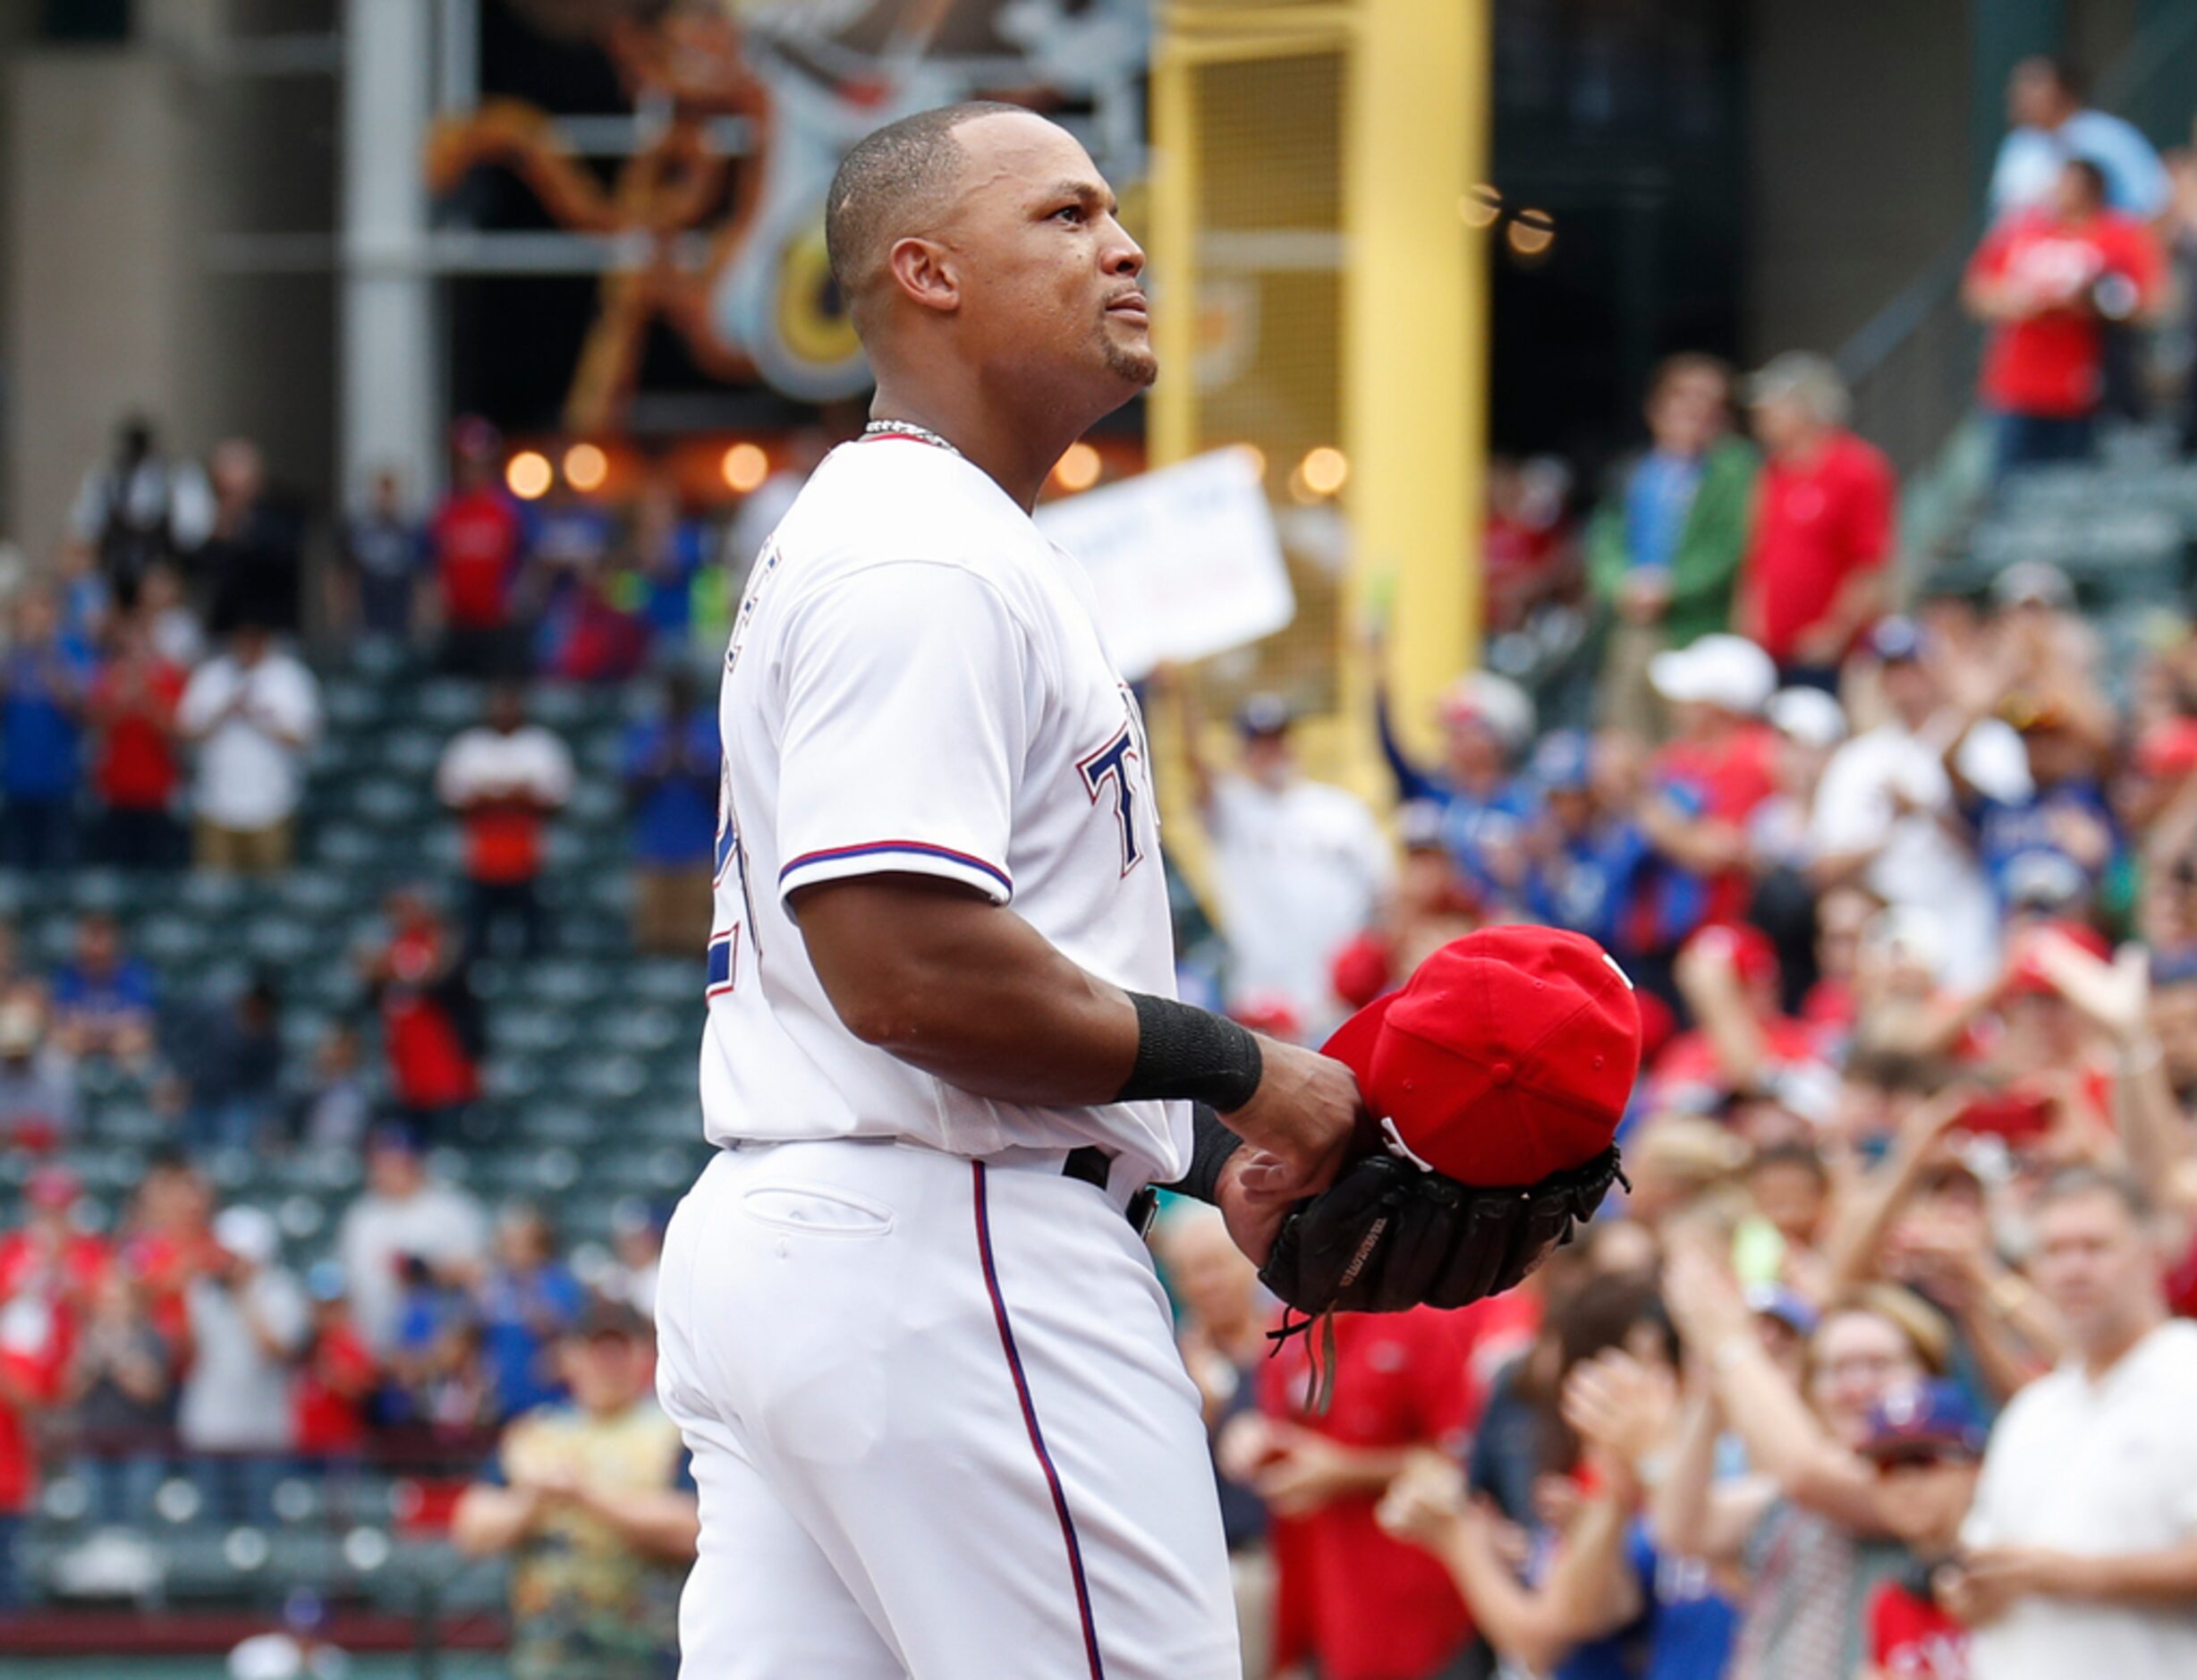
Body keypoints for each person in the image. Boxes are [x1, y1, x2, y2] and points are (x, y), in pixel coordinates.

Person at [652, 102, 1369, 1678]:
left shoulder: (921, 533)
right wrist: (1252, 1078)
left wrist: (1189, 1139)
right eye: (1060, 215)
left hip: (833, 1229)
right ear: (925, 271)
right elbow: (907, 969)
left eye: (1111, 211)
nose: (1121, 244)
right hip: (952, 1245)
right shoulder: (924, 552)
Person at [1949, 1167, 2197, 1678]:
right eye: (2054, 1251)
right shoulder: (2033, 1409)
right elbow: (1983, 1559)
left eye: (2095, 1246)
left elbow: (2053, 1573)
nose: (2073, 1269)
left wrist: (2080, 1576)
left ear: (2153, 1253)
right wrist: (1967, 1590)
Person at [453, 1305, 698, 1680]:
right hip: (547, 1653)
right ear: (571, 1357)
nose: (608, 1362)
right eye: (597, 1350)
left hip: (646, 1652)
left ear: (644, 1355)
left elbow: (693, 1529)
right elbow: (471, 1529)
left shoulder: (674, 1432)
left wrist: (586, 1495)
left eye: (620, 1349)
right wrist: (533, 1499)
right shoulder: (536, 1433)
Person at [1809, 616, 2032, 990]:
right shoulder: (1859, 758)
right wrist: (1890, 829)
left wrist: (1924, 811)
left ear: (1937, 668)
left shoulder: (1988, 740)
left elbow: (2011, 844)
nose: (1902, 682)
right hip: (1888, 933)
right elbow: (1822, 869)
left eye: (1912, 667)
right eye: (1891, 671)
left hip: (1971, 923)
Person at [1175, 686, 1395, 1038]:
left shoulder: (1342, 810)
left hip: (1339, 1001)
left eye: (1277, 739)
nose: (1271, 751)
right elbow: (1195, 766)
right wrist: (1181, 696)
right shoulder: (1233, 809)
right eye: (1260, 742)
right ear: (1243, 751)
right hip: (1262, 999)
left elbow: (1384, 895)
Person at [1964, 157, 2167, 482]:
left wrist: (2089, 304)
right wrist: (2030, 301)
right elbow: (1978, 293)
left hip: (2084, 392)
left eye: (2067, 182)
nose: (2057, 190)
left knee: (2070, 494)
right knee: (2007, 494)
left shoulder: (2118, 234)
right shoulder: (2022, 230)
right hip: (2016, 388)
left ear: (2091, 188)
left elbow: (2151, 304)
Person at [1586, 352, 1759, 734]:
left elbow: (1730, 545)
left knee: (1689, 735)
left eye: (1707, 402)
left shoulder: (1732, 470)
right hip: (1634, 622)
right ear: (1657, 406)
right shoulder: (1634, 472)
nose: (1694, 410)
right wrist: (1621, 585)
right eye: (1684, 397)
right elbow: (1605, 541)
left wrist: (1673, 587)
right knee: (1626, 728)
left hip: (1696, 627)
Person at [1735, 353, 1896, 689]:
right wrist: (1750, 622)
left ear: (1807, 408)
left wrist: (1834, 633)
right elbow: (1758, 556)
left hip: (1830, 655)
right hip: (1772, 653)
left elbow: (1869, 565)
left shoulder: (1856, 468)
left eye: (1773, 407)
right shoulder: (1772, 473)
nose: (1761, 418)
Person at [177, 1205, 310, 1524]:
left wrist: (243, 1298)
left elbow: (275, 1352)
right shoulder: (204, 1290)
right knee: (211, 1528)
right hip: (209, 1429)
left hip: (261, 1432)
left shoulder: (282, 1291)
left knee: (262, 1526)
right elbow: (188, 1353)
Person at [1856, 1380, 1988, 1680]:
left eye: (1924, 1461)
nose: (1906, 1483)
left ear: (1978, 1467)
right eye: (1886, 1465)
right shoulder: (1889, 1602)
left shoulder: (2018, 1575)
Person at [435, 685, 575, 962]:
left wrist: (497, 793)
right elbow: (451, 798)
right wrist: (510, 793)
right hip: (480, 859)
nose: (504, 712)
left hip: (530, 858)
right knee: (476, 941)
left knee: (536, 941)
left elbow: (557, 799)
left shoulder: (540, 745)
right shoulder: (469, 747)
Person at [176, 619, 322, 872]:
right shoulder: (211, 675)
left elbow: (304, 738)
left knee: (270, 896)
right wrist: (225, 711)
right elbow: (186, 732)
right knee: (214, 896)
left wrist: (259, 717)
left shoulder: (290, 676)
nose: (247, 645)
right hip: (215, 805)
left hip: (272, 805)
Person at [335, 1126, 489, 1355]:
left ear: (416, 1162)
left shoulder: (453, 1209)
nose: (386, 1170)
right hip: (377, 1353)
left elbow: (481, 1276)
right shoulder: (361, 1216)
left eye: (396, 1162)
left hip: (442, 1348)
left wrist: (426, 1271)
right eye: (381, 1162)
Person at [1989, 55, 2170, 222]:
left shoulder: (2109, 137)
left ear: (2064, 90)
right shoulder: (2019, 145)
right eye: (2018, 86)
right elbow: (2001, 220)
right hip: (2026, 252)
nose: (2020, 95)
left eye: (2034, 85)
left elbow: (2150, 204)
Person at [64, 413, 214, 611]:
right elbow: (84, 530)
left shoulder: (178, 477)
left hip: (164, 573)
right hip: (115, 576)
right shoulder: (105, 478)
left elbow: (191, 535)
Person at [620, 672, 720, 955]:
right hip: (654, 850)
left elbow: (723, 785)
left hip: (700, 850)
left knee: (698, 938)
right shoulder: (646, 732)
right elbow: (628, 785)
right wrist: (661, 763)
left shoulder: (709, 730)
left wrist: (690, 762)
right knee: (654, 937)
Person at [85, 607, 190, 869]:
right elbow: (95, 726)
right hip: (116, 792)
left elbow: (175, 732)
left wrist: (145, 698)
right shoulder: (108, 677)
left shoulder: (169, 677)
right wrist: (123, 701)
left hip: (157, 792)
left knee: (157, 873)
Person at [0, 586, 93, 871]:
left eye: (41, 616)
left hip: (59, 782)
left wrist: (49, 664)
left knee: (57, 871)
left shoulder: (73, 654)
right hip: (15, 782)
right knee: (15, 871)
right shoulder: (8, 660)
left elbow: (84, 713)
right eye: (28, 616)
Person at [430, 416, 529, 679]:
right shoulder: (446, 510)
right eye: (466, 462)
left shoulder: (509, 510)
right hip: (456, 624)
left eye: (479, 462)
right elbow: (431, 566)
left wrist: (516, 599)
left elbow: (528, 561)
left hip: (496, 624)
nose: (472, 470)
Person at [199, 437, 305, 638]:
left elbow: (279, 558)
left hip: (272, 635)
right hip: (227, 634)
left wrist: (241, 529)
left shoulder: (280, 515)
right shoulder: (215, 525)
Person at [49, 912, 158, 1069]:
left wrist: (95, 1031)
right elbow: (63, 1021)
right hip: (82, 1044)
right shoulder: (68, 974)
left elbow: (139, 1022)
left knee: (135, 1043)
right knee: (60, 1047)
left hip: (120, 1045)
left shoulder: (133, 974)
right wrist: (96, 1034)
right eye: (92, 940)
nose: (97, 949)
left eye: (102, 940)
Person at [341, 465, 426, 644]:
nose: (386, 499)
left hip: (400, 616)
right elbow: (349, 576)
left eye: (390, 492)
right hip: (369, 616)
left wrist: (419, 617)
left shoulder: (409, 533)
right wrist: (348, 614)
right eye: (382, 492)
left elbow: (419, 578)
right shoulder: (361, 533)